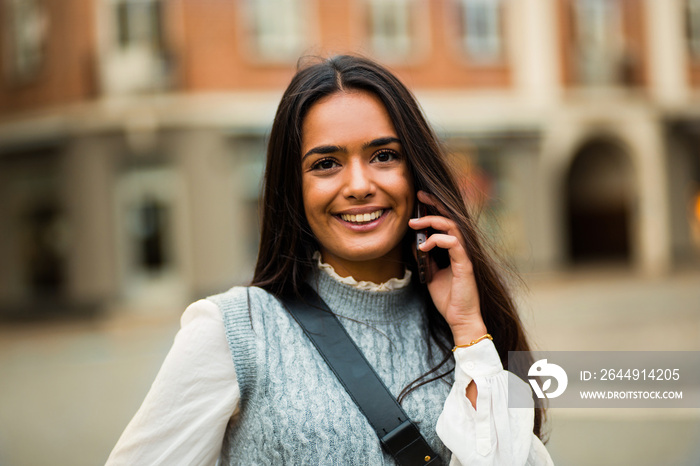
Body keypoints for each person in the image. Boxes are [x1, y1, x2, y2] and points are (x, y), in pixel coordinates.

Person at [106, 55, 553, 465]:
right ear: (293, 189)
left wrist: (470, 331)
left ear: (415, 171)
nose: (358, 184)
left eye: (384, 156)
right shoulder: (233, 331)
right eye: (326, 164)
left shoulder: (462, 330)